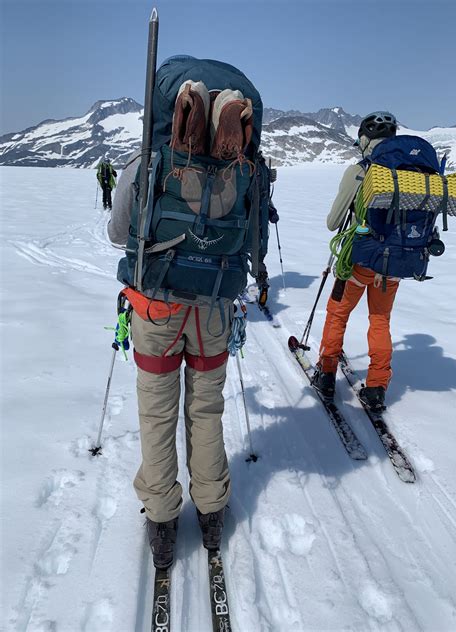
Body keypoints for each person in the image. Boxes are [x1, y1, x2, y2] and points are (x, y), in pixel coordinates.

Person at [108, 58, 270, 571]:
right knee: (206, 411)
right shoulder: (247, 172)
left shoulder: (147, 160)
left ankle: (161, 520)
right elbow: (256, 241)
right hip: (216, 307)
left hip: (156, 305)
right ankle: (212, 511)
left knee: (157, 415)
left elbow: (119, 231)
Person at [312, 112, 399, 411]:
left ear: (364, 139)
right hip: (393, 264)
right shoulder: (408, 174)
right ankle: (376, 387)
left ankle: (326, 373)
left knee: (337, 313)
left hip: (358, 260)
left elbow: (333, 221)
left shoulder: (359, 171)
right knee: (380, 320)